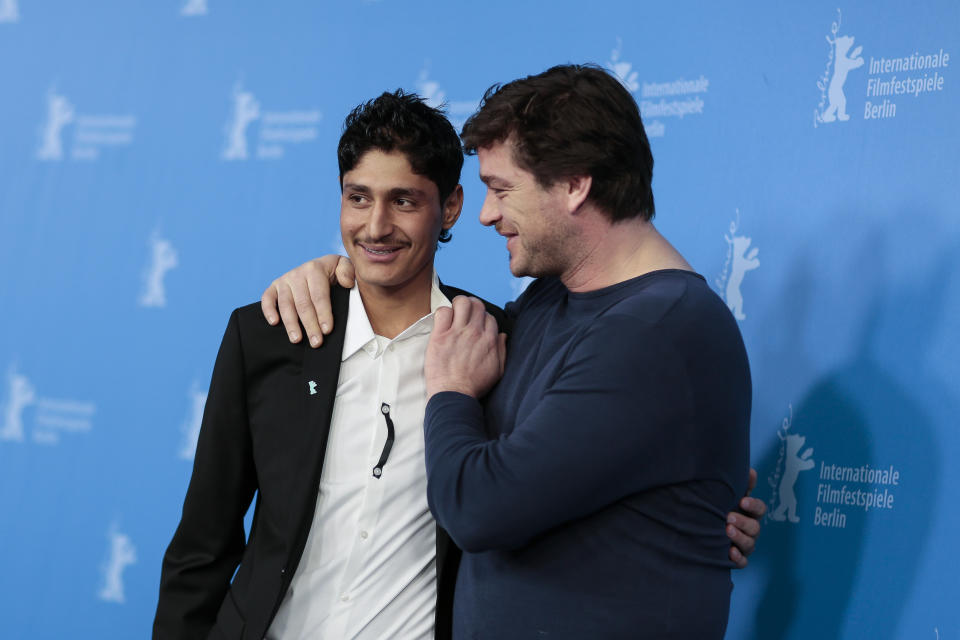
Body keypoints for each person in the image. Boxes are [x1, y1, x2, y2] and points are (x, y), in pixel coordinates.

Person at [262, 64, 758, 639]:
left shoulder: (663, 329)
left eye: (502, 189)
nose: (486, 213)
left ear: (575, 184)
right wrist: (338, 276)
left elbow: (477, 505)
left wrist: (448, 390)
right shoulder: (549, 299)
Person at [153, 91, 510, 640]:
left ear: (452, 206)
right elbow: (203, 544)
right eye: (358, 198)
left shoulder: (492, 341)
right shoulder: (269, 334)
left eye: (405, 201)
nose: (376, 226)